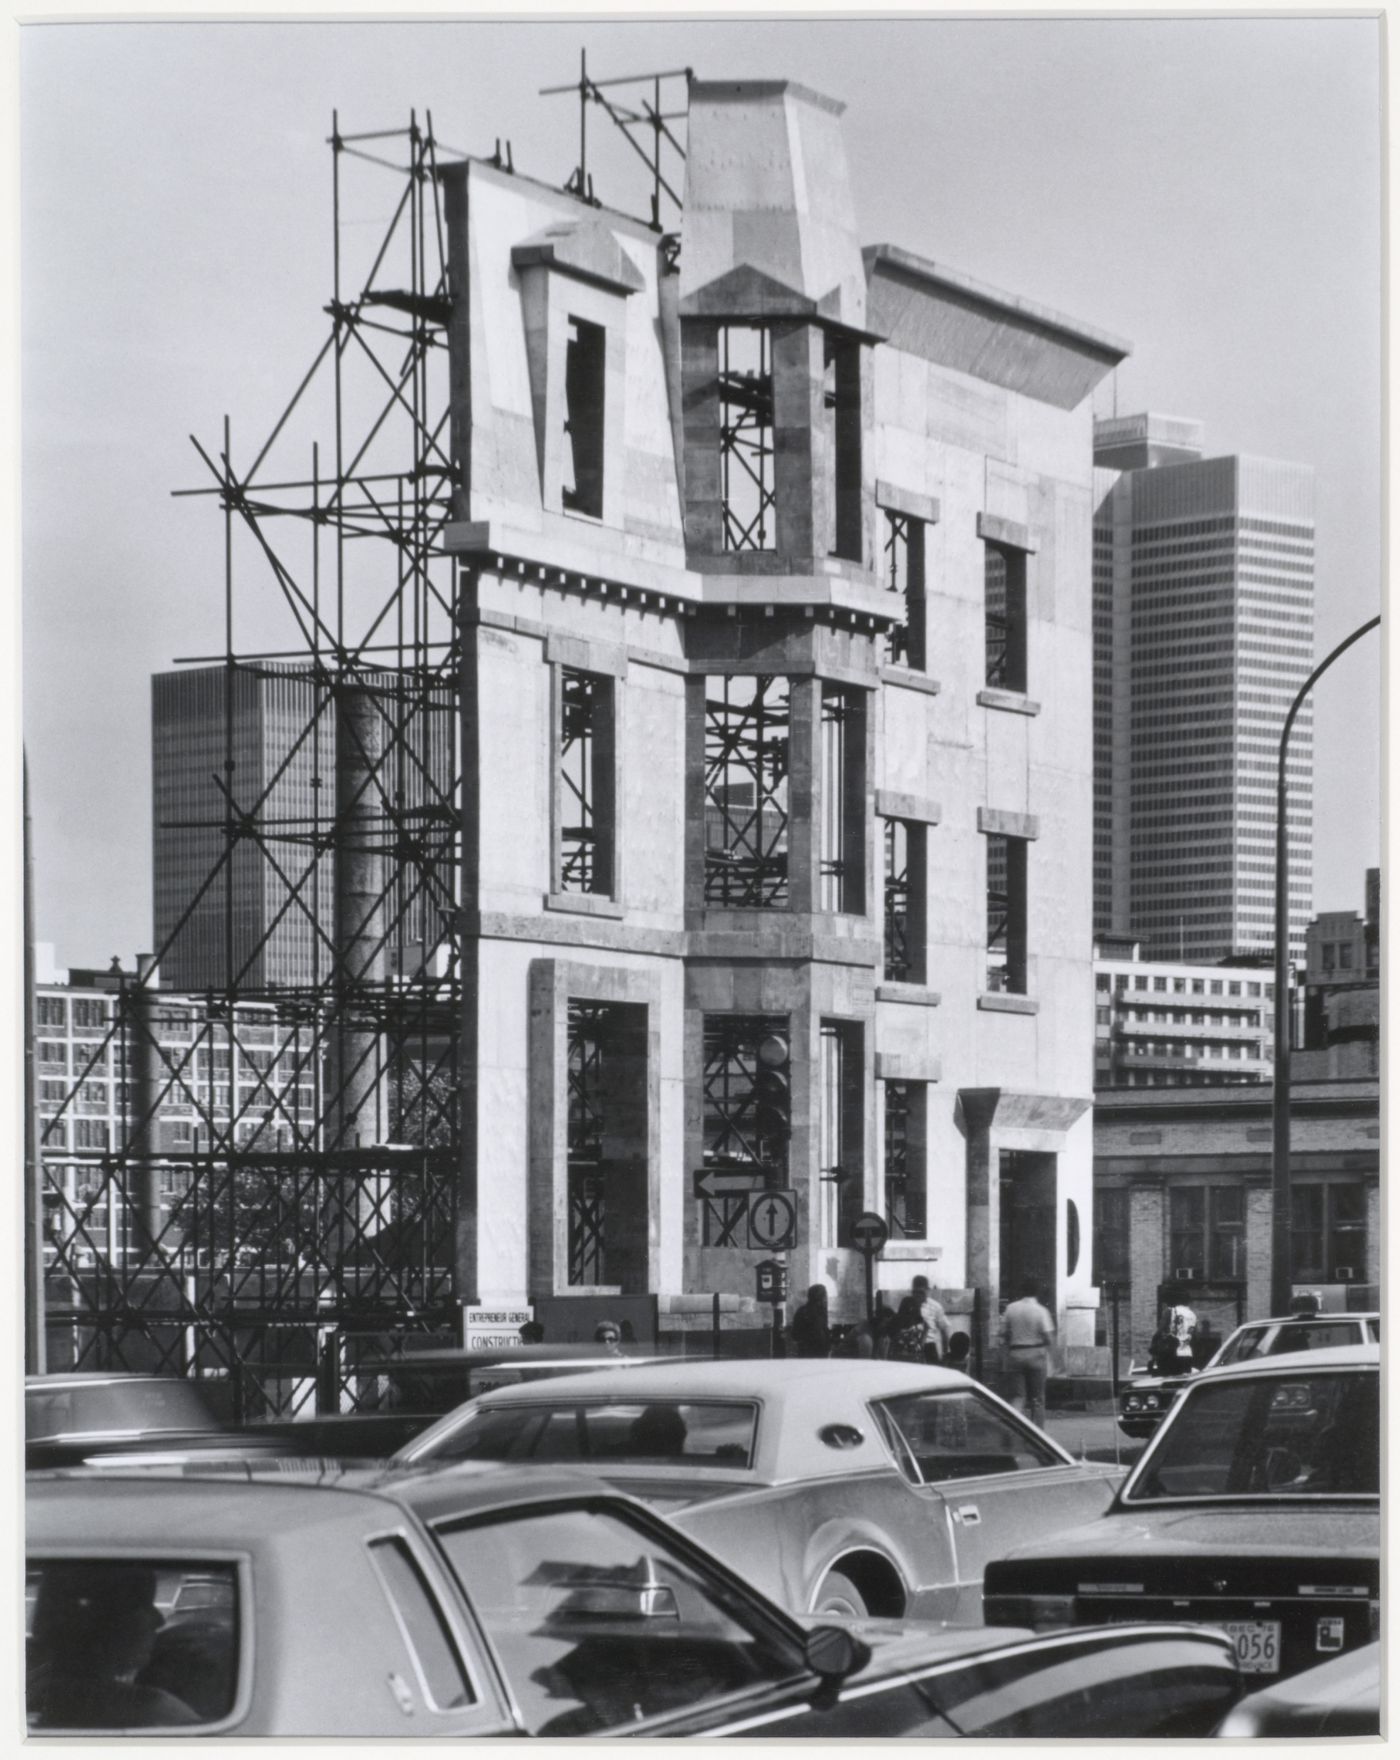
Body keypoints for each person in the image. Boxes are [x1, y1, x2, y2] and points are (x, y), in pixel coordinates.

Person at [27, 1564, 200, 1730]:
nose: (158, 1619)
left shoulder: (22, 1690)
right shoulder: (154, 1711)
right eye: (140, 1604)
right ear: (100, 1620)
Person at [1000, 1278, 1055, 1430]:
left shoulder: (1011, 1309)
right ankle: (1038, 1432)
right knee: (1038, 1398)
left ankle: (1012, 1430)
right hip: (1036, 1354)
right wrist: (1052, 1359)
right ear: (1037, 1292)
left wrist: (1005, 1356)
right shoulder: (1041, 1311)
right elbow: (1049, 1337)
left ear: (1021, 1291)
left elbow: (1003, 1334)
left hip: (1016, 1353)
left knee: (1018, 1396)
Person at [911, 1275, 952, 1365]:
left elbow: (944, 1330)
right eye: (915, 1292)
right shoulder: (907, 1305)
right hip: (911, 1347)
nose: (918, 1296)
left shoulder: (935, 1306)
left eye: (921, 1292)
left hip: (929, 1347)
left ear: (927, 1290)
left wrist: (945, 1353)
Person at [789, 1285, 831, 1358]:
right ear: (820, 1298)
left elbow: (794, 1334)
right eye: (825, 1296)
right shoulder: (821, 1312)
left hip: (805, 1353)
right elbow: (823, 1333)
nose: (826, 1300)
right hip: (819, 1353)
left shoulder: (801, 1311)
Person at [888, 1296, 928, 1364]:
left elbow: (891, 1338)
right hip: (914, 1353)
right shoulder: (921, 1321)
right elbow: (923, 1340)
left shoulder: (895, 1319)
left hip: (898, 1352)